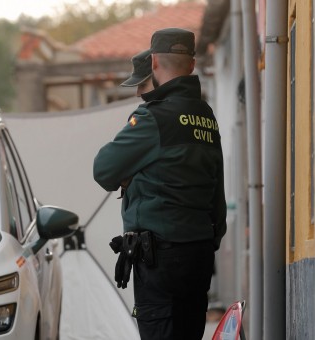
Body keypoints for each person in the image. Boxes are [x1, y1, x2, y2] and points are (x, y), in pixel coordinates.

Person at [92, 27, 227, 340]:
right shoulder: (206, 116)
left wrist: (134, 174)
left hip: (162, 257)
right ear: (192, 65)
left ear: (153, 63)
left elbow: (103, 170)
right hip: (200, 254)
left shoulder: (154, 118)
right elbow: (216, 192)